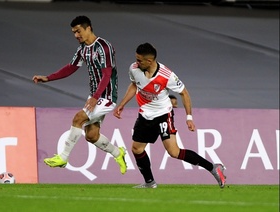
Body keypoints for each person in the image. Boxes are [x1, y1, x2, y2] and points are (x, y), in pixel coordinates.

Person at [113, 43, 226, 188]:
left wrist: (189, 117)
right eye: (136, 59)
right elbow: (135, 84)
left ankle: (213, 168)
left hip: (163, 115)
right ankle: (150, 182)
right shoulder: (134, 69)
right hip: (145, 114)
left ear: (149, 61)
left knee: (174, 151)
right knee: (137, 149)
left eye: (139, 60)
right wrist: (122, 104)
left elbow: (184, 93)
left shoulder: (166, 75)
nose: (136, 62)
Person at [32, 16, 127, 174]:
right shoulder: (82, 49)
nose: (76, 35)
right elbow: (71, 67)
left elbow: (107, 74)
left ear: (88, 28)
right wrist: (48, 78)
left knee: (78, 118)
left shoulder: (104, 46)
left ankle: (63, 157)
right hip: (95, 96)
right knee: (91, 135)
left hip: (107, 96)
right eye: (74, 32)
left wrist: (96, 97)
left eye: (78, 31)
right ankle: (118, 153)